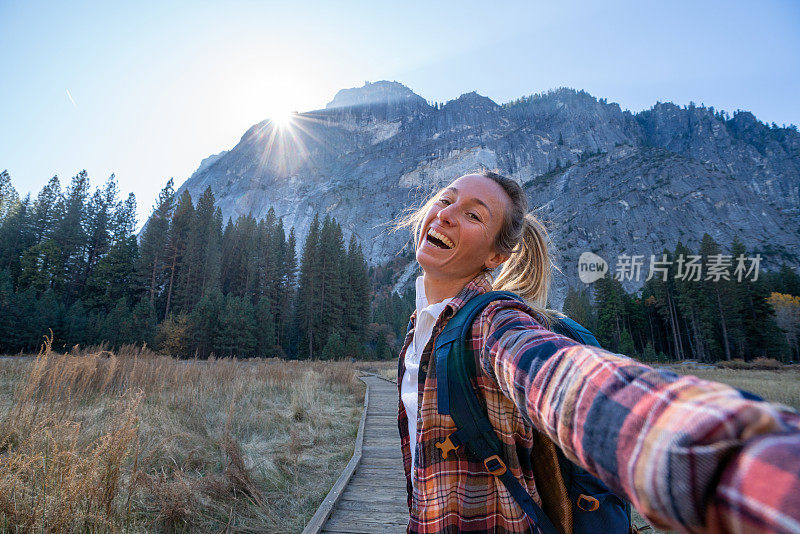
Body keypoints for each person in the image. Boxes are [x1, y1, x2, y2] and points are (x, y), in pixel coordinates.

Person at [394, 171, 800, 534]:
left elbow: (563, 378)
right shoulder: (419, 333)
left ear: (496, 257)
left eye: (473, 215)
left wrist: (739, 462)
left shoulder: (493, 321)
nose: (447, 214)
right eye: (446, 200)